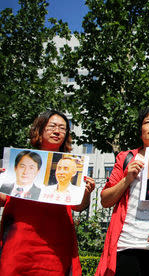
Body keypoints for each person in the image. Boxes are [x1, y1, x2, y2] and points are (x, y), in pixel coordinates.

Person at [0, 110, 95, 275]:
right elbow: (3, 199)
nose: (57, 131)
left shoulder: (72, 165)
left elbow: (79, 207)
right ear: (40, 129)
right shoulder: (21, 160)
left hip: (55, 240)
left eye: (63, 128)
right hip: (19, 239)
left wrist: (86, 192)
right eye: (52, 126)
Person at [96, 105, 149, 276]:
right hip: (125, 243)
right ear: (141, 131)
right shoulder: (126, 158)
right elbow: (105, 200)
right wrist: (127, 178)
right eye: (147, 122)